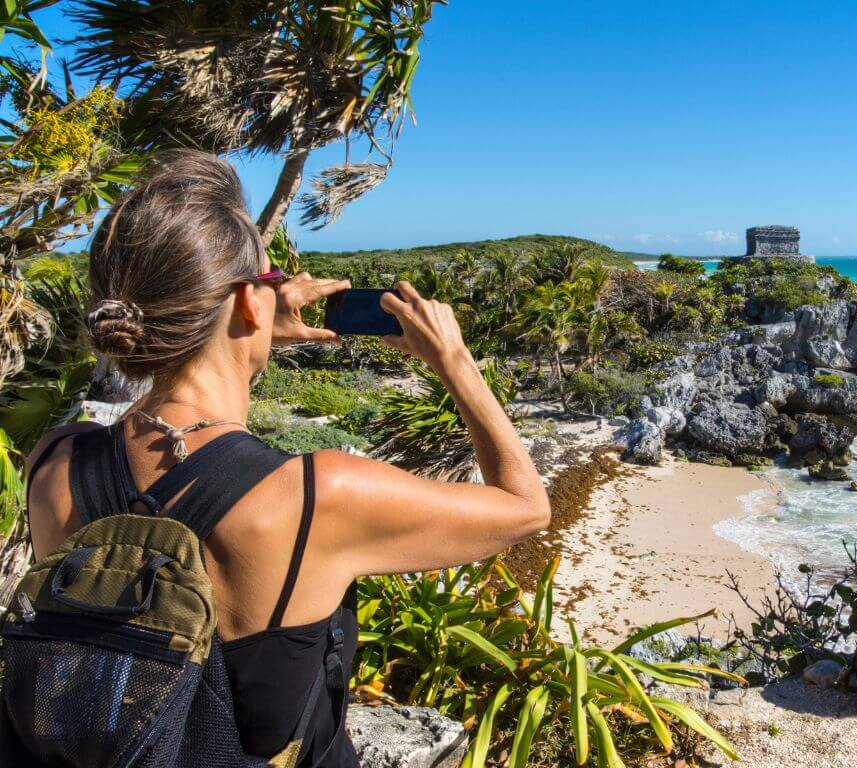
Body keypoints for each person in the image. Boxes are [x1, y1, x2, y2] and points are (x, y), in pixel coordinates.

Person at [23, 150, 550, 767]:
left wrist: (247, 324)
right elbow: (524, 508)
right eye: (272, 284)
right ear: (250, 302)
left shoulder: (57, 461)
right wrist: (454, 362)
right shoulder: (315, 494)